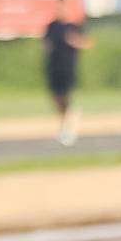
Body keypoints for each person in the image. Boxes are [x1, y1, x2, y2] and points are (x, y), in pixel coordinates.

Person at [42, 12, 91, 146]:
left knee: (66, 97)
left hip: (68, 67)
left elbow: (87, 43)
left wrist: (74, 41)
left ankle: (70, 128)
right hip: (54, 67)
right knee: (56, 98)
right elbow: (46, 45)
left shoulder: (73, 26)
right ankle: (66, 124)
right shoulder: (52, 27)